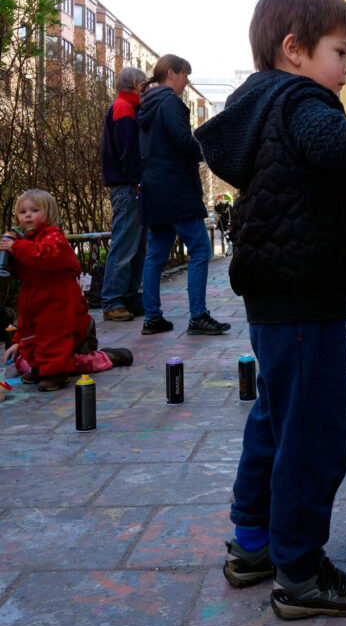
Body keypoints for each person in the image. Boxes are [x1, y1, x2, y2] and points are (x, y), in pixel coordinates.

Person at [195, 0, 346, 620]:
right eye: (341, 52)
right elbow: (337, 143)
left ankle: (253, 545)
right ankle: (299, 573)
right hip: (304, 302)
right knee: (315, 432)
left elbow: (296, 182)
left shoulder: (267, 106)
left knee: (275, 420)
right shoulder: (302, 98)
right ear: (295, 49)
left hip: (279, 300)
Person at [0, 190, 133, 391]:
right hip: (32, 296)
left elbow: (45, 255)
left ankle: (59, 371)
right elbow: (23, 268)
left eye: (34, 210)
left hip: (56, 298)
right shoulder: (23, 240)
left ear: (49, 213)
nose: (27, 215)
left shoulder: (54, 237)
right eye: (23, 211)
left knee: (52, 334)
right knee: (29, 331)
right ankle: (39, 367)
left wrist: (17, 248)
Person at [137, 54, 230, 336]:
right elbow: (183, 141)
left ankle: (152, 318)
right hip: (176, 187)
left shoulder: (146, 105)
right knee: (200, 248)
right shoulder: (170, 102)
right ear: (171, 73)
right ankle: (198, 316)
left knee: (155, 254)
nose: (187, 81)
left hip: (153, 187)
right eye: (185, 75)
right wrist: (210, 150)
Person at [100, 66, 148, 321]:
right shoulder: (123, 108)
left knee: (136, 246)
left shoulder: (126, 107)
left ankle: (128, 297)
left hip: (129, 185)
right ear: (137, 84)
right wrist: (137, 179)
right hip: (128, 186)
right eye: (145, 83)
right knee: (125, 246)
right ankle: (113, 301)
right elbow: (128, 150)